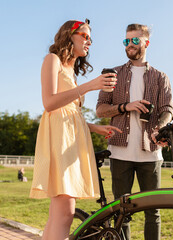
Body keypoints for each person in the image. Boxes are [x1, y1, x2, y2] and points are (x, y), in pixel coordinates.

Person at [29, 19, 122, 240]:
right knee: (65, 211)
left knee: (59, 213)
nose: (89, 41)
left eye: (90, 37)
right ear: (69, 35)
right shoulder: (53, 60)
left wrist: (93, 127)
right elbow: (49, 103)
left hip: (71, 137)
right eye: (84, 35)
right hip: (59, 139)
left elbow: (70, 113)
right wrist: (91, 86)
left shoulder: (72, 71)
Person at [96, 23, 173, 240]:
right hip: (119, 153)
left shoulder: (161, 77)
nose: (130, 45)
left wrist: (160, 125)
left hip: (151, 153)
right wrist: (124, 107)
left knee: (153, 212)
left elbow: (167, 109)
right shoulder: (113, 74)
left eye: (135, 40)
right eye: (126, 41)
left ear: (146, 43)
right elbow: (100, 109)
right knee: (122, 212)